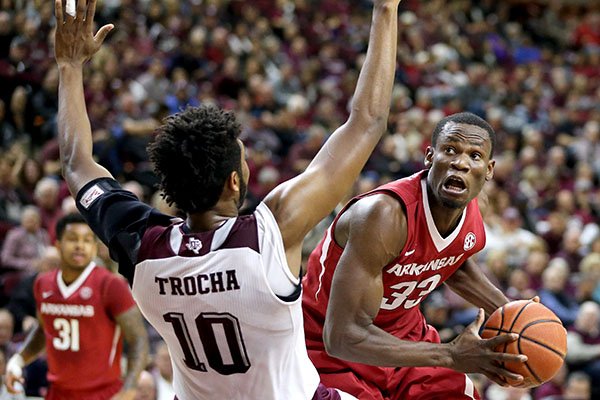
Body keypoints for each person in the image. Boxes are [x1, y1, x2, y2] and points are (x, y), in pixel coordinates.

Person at [51, 0, 401, 398]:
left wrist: (69, 67)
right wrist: (385, 10)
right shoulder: (270, 232)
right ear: (235, 182)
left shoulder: (141, 244)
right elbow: (367, 121)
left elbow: (76, 163)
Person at [302, 112, 530, 399]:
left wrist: (515, 316)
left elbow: (453, 261)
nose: (460, 163)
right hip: (328, 349)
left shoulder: (473, 206)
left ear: (489, 169)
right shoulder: (383, 216)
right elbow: (342, 337)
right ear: (429, 156)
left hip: (405, 339)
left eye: (474, 155)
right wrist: (449, 354)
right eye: (450, 150)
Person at [4, 213, 149, 399]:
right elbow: (43, 329)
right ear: (58, 244)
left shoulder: (110, 285)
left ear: (95, 248)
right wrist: (17, 361)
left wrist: (128, 390)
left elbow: (138, 338)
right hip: (57, 391)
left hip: (102, 393)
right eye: (73, 239)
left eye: (87, 240)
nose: (80, 245)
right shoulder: (43, 283)